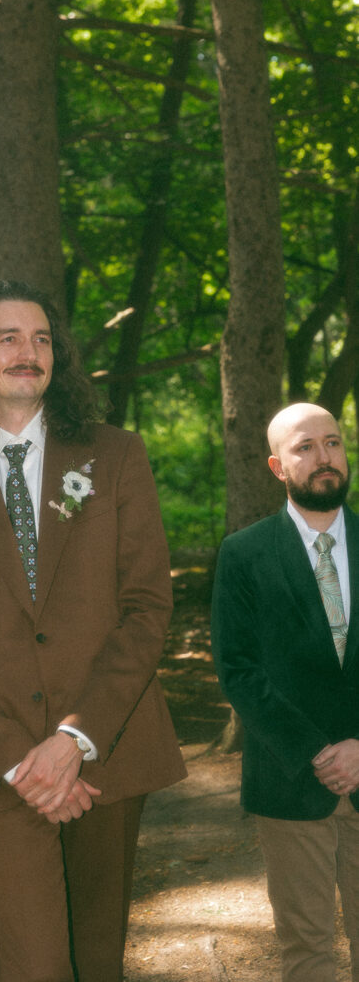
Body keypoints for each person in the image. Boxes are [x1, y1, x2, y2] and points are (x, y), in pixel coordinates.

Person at [0, 279, 185, 982]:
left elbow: (146, 607)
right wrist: (23, 764)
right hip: (5, 771)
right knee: (35, 964)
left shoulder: (116, 456)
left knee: (95, 961)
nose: (27, 353)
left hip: (108, 754)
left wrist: (73, 739)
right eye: (7, 338)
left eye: (40, 339)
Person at [211, 401, 359, 982]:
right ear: (277, 466)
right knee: (307, 950)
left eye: (333, 442)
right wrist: (320, 751)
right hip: (292, 776)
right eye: (305, 447)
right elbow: (239, 669)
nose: (323, 457)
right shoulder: (244, 554)